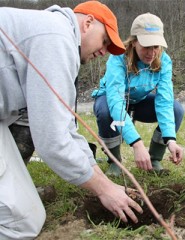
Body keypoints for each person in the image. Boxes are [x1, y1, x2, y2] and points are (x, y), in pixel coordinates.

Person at [0, 1, 142, 239]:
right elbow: (52, 140)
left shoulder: (53, 32)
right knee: (23, 223)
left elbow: (66, 128)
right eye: (105, 41)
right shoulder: (56, 39)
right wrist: (103, 189)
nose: (103, 52)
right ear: (87, 23)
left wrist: (101, 178)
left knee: (26, 208)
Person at [92, 13, 184, 177]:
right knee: (105, 111)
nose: (151, 53)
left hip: (139, 102)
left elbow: (164, 101)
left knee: (176, 109)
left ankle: (154, 159)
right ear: (134, 42)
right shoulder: (118, 57)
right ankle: (115, 161)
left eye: (156, 46)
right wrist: (136, 143)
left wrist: (171, 139)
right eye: (146, 46)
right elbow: (115, 102)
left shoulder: (164, 61)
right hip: (113, 101)